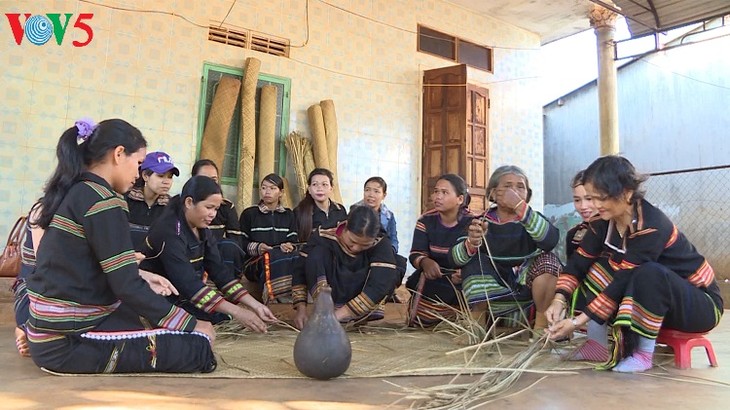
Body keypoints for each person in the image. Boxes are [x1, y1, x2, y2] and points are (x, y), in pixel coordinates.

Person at [26, 118, 216, 374]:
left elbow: (94, 268)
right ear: (118, 154)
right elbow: (126, 286)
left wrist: (142, 276)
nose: (138, 174)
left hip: (48, 332)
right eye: (138, 164)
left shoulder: (76, 190)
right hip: (66, 343)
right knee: (198, 347)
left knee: (151, 319)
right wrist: (191, 324)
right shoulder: (103, 200)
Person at [547, 155, 724, 372]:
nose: (595, 205)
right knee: (598, 267)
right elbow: (578, 263)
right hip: (660, 307)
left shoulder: (652, 226)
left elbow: (623, 280)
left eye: (600, 198)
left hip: (701, 307)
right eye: (592, 198)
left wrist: (575, 323)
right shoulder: (602, 222)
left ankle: (643, 354)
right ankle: (596, 345)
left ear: (626, 193)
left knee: (648, 273)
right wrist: (558, 300)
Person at [140, 175, 277, 332]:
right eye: (209, 207)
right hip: (157, 298)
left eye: (216, 209)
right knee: (207, 325)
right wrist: (239, 311)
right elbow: (188, 284)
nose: (213, 214)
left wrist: (256, 305)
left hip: (183, 297)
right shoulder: (169, 230)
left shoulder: (202, 229)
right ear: (189, 202)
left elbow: (219, 272)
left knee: (224, 318)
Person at [450, 165, 561, 332]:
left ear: (527, 195)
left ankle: (541, 330)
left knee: (549, 262)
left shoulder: (533, 219)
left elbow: (550, 240)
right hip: (492, 301)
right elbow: (455, 259)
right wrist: (471, 243)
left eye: (520, 187)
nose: (514, 192)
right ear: (493, 193)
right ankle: (476, 329)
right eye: (508, 186)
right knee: (474, 260)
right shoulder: (478, 222)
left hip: (529, 298)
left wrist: (518, 206)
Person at [291, 206, 400, 329]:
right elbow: (300, 269)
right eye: (352, 241)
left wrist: (335, 317)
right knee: (316, 254)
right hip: (332, 288)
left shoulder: (381, 243)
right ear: (345, 227)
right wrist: (301, 309)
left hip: (359, 292)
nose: (356, 248)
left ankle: (350, 317)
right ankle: (324, 308)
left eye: (365, 245)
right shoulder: (325, 233)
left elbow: (379, 286)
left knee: (390, 270)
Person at [406, 174, 475, 327]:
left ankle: (461, 317)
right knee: (421, 319)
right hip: (435, 278)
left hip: (461, 280)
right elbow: (415, 254)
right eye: (436, 191)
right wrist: (425, 262)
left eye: (444, 192)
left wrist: (466, 272)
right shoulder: (425, 221)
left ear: (460, 199)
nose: (438, 196)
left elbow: (479, 256)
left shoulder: (473, 223)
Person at [239, 173, 299, 302]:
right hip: (254, 263)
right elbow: (240, 242)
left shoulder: (289, 215)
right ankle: (273, 299)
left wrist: (289, 246)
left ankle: (288, 298)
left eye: (272, 188)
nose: (267, 192)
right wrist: (257, 247)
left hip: (282, 260)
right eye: (264, 188)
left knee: (293, 258)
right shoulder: (249, 214)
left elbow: (294, 242)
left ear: (281, 192)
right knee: (271, 256)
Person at [350, 176, 408, 287]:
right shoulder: (355, 211)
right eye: (367, 190)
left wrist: (389, 252)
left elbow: (393, 239)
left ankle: (387, 292)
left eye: (376, 191)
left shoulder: (389, 216)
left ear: (384, 195)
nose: (371, 194)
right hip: (361, 251)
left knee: (400, 262)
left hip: (382, 251)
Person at [191, 159, 244, 275]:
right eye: (204, 179)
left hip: (219, 255)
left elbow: (236, 241)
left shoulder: (227, 207)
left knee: (229, 246)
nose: (210, 184)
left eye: (214, 180)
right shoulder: (186, 205)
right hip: (193, 255)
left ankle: (227, 287)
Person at [125, 151, 179, 250]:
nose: (166, 182)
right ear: (145, 176)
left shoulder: (171, 207)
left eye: (170, 177)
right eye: (161, 176)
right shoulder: (126, 199)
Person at [293, 168, 347, 243]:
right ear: (309, 189)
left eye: (324, 184)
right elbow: (298, 241)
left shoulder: (340, 210)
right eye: (315, 184)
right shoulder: (300, 211)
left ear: (331, 189)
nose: (320, 188)